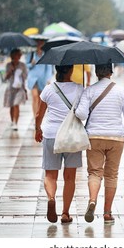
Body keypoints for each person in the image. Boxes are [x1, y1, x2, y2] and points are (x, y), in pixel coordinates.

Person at [75, 63, 124, 224]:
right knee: (111, 175)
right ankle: (107, 212)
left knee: (94, 173)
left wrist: (78, 106)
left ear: (96, 72)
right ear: (111, 73)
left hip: (94, 137)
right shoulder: (121, 92)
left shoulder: (90, 90)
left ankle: (92, 200)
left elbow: (81, 114)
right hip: (116, 138)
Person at [34, 65, 84, 224]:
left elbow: (38, 114)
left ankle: (51, 198)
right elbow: (83, 113)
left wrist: (37, 129)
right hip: (72, 136)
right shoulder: (79, 88)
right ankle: (65, 213)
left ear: (56, 70)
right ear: (70, 71)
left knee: (50, 175)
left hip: (51, 135)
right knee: (70, 177)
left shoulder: (48, 90)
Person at [26, 38, 53, 119]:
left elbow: (49, 68)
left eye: (41, 42)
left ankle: (39, 115)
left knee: (40, 99)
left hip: (42, 79)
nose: (39, 44)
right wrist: (31, 64)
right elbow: (26, 66)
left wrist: (48, 79)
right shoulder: (31, 54)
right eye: (38, 42)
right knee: (34, 97)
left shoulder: (46, 54)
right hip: (33, 79)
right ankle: (35, 117)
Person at [3, 48, 28, 130]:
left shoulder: (22, 65)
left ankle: (15, 123)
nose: (18, 57)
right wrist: (10, 71)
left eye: (19, 55)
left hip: (20, 88)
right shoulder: (8, 65)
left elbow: (25, 77)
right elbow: (5, 78)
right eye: (17, 55)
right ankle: (12, 121)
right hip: (10, 88)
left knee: (16, 105)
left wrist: (25, 89)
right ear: (13, 56)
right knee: (11, 106)